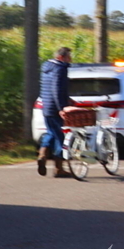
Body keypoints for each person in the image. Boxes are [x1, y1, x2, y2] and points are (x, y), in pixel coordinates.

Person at [37, 47, 73, 178]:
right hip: (56, 108)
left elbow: (47, 88)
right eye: (68, 56)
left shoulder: (46, 67)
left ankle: (42, 154)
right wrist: (62, 108)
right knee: (61, 138)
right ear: (61, 57)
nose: (70, 59)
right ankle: (59, 168)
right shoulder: (60, 69)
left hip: (46, 107)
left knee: (51, 133)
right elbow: (57, 89)